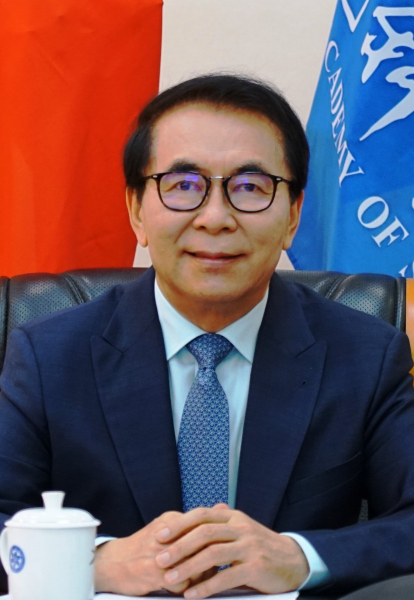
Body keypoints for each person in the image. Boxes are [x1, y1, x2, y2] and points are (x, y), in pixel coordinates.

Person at [0, 74, 414, 598]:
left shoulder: (367, 354)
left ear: (293, 216)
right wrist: (90, 561)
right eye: (182, 185)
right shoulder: (47, 356)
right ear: (136, 211)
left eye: (250, 187)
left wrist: (300, 557)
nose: (215, 218)